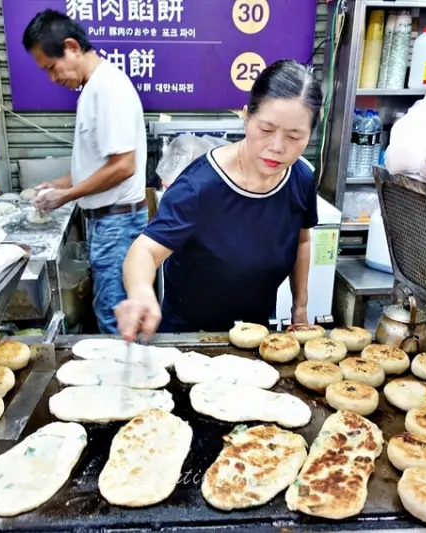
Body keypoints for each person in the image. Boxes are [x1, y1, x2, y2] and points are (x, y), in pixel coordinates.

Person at [115, 59, 322, 341]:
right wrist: (141, 292)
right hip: (188, 337)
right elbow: (144, 251)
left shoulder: (301, 180)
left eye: (294, 136)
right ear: (246, 117)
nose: (277, 147)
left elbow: (302, 240)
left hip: (255, 336)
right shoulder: (200, 186)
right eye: (266, 129)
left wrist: (300, 307)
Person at [22, 9, 148, 334]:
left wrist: (66, 196)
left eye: (51, 67)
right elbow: (98, 164)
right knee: (110, 311)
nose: (53, 79)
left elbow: (124, 166)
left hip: (117, 225)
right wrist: (59, 184)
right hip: (107, 223)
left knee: (116, 319)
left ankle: (129, 369)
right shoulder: (93, 88)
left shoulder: (108, 89)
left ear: (72, 47)